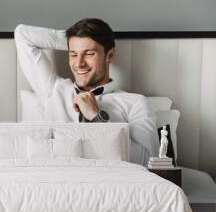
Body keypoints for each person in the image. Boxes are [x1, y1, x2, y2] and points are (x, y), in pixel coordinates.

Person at [14, 18, 158, 165]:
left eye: (89, 54)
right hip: (58, 181)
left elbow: (149, 161)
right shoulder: (54, 90)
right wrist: (73, 40)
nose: (79, 63)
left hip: (108, 183)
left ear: (110, 55)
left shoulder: (135, 103)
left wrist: (97, 118)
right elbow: (22, 34)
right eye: (73, 54)